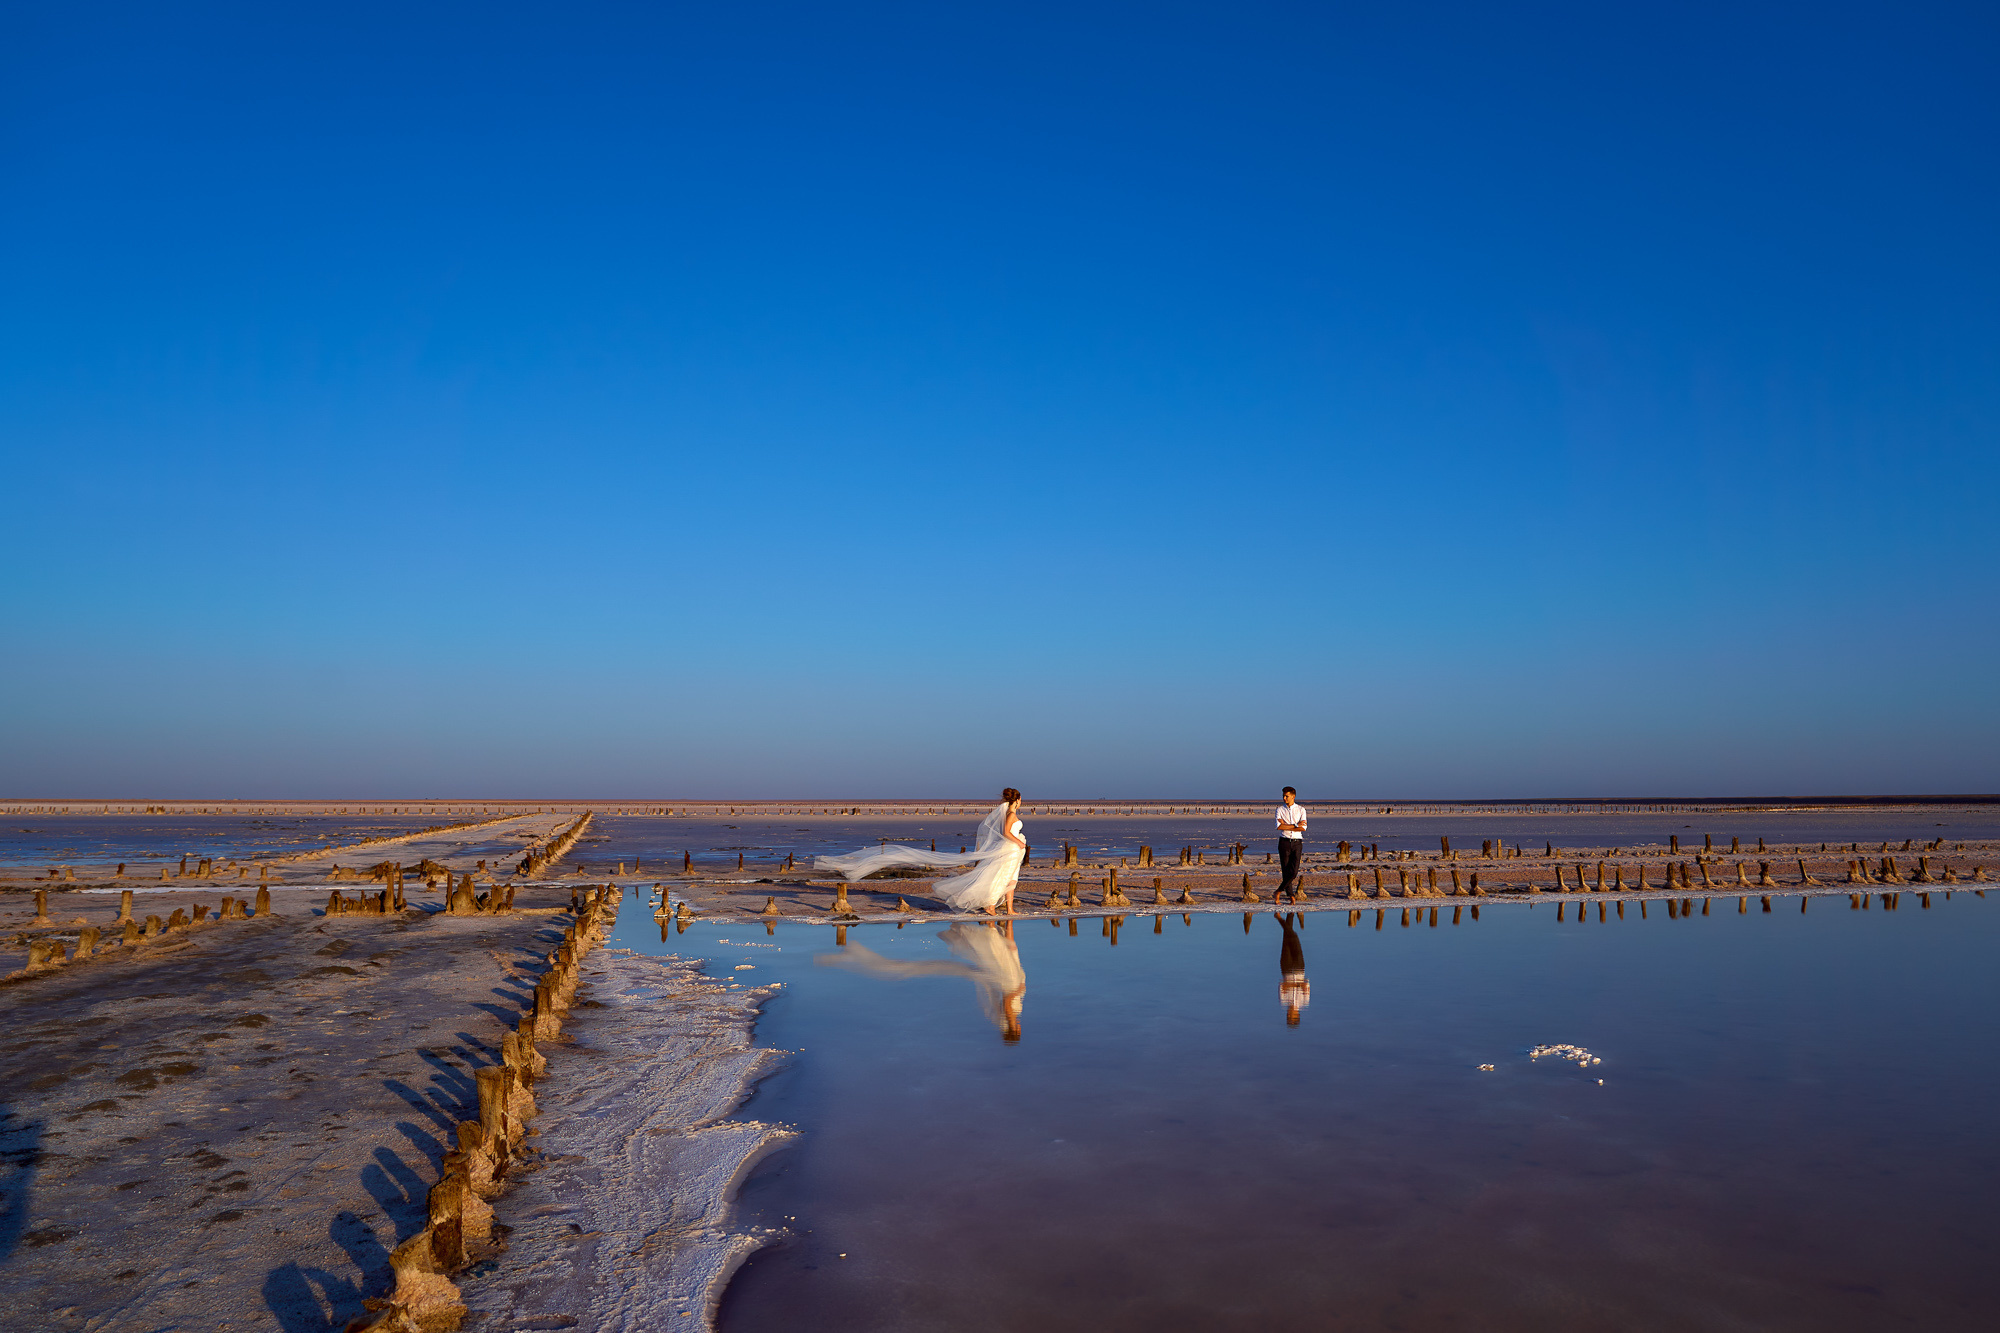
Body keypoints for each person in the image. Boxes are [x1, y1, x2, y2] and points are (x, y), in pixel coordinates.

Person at [815, 788, 1027, 915]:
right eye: (1020, 799)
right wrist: (1018, 842)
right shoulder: (1009, 814)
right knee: (1001, 878)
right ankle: (992, 905)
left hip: (1012, 851)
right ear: (1016, 800)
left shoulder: (1006, 812)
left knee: (1009, 879)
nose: (1020, 802)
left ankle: (1007, 909)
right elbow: (1007, 832)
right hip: (1010, 849)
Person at [1276, 911, 1310, 1026]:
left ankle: (1287, 915)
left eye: (1289, 1016)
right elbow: (1306, 984)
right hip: (1299, 968)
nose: (1289, 1013)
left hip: (1286, 967)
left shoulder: (1283, 1001)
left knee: (1286, 940)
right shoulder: (1304, 1002)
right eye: (1291, 1016)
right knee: (1294, 938)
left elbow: (1282, 985)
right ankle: (1283, 917)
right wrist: (1296, 985)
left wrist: (1295, 985)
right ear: (1297, 1014)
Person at [1275, 786, 1307, 901]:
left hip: (1297, 842)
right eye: (1283, 796)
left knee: (1293, 872)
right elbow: (1279, 827)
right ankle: (1291, 895)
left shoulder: (1301, 809)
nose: (1284, 798)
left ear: (1293, 796)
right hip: (1284, 842)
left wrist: (1288, 826)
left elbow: (1303, 828)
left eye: (1286, 796)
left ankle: (1278, 891)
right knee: (1285, 870)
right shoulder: (1279, 810)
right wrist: (1295, 825)